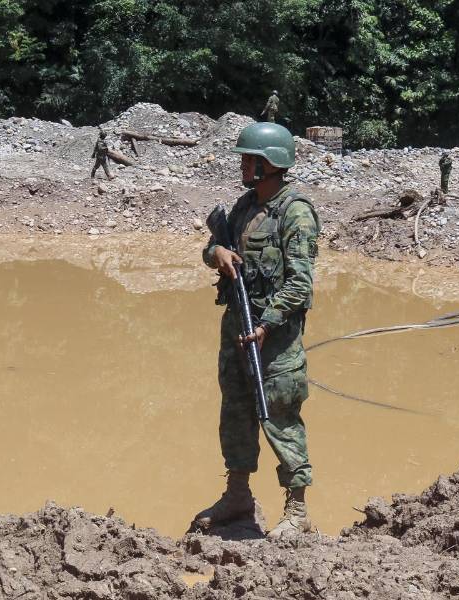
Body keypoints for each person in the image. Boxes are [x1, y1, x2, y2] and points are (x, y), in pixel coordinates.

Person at [195, 122, 320, 539]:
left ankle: (296, 509)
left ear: (271, 164)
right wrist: (218, 254)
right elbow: (208, 248)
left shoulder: (295, 212)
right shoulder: (245, 206)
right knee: (236, 412)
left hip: (275, 340)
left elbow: (300, 284)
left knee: (279, 417)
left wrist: (267, 323)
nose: (244, 165)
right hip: (237, 330)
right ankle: (238, 495)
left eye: (250, 159)